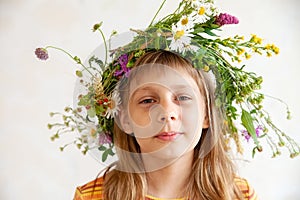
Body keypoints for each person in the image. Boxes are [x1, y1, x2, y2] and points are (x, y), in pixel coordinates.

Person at [73, 50, 258, 200]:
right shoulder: (92, 197)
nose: (166, 113)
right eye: (147, 100)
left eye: (183, 98)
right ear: (126, 121)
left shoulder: (239, 194)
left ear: (207, 116)